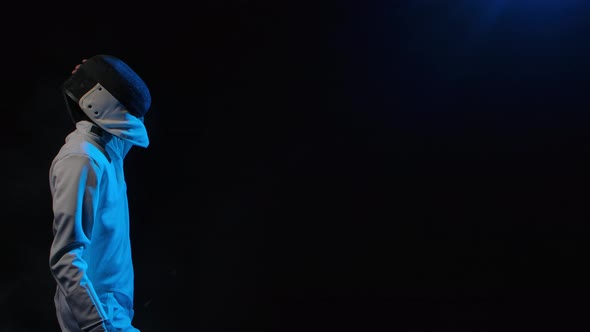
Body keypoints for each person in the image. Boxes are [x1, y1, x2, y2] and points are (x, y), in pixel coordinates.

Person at [48, 54, 151, 332]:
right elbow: (66, 257)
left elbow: (124, 132)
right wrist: (98, 326)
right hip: (99, 321)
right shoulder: (81, 158)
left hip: (114, 317)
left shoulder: (105, 152)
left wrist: (94, 74)